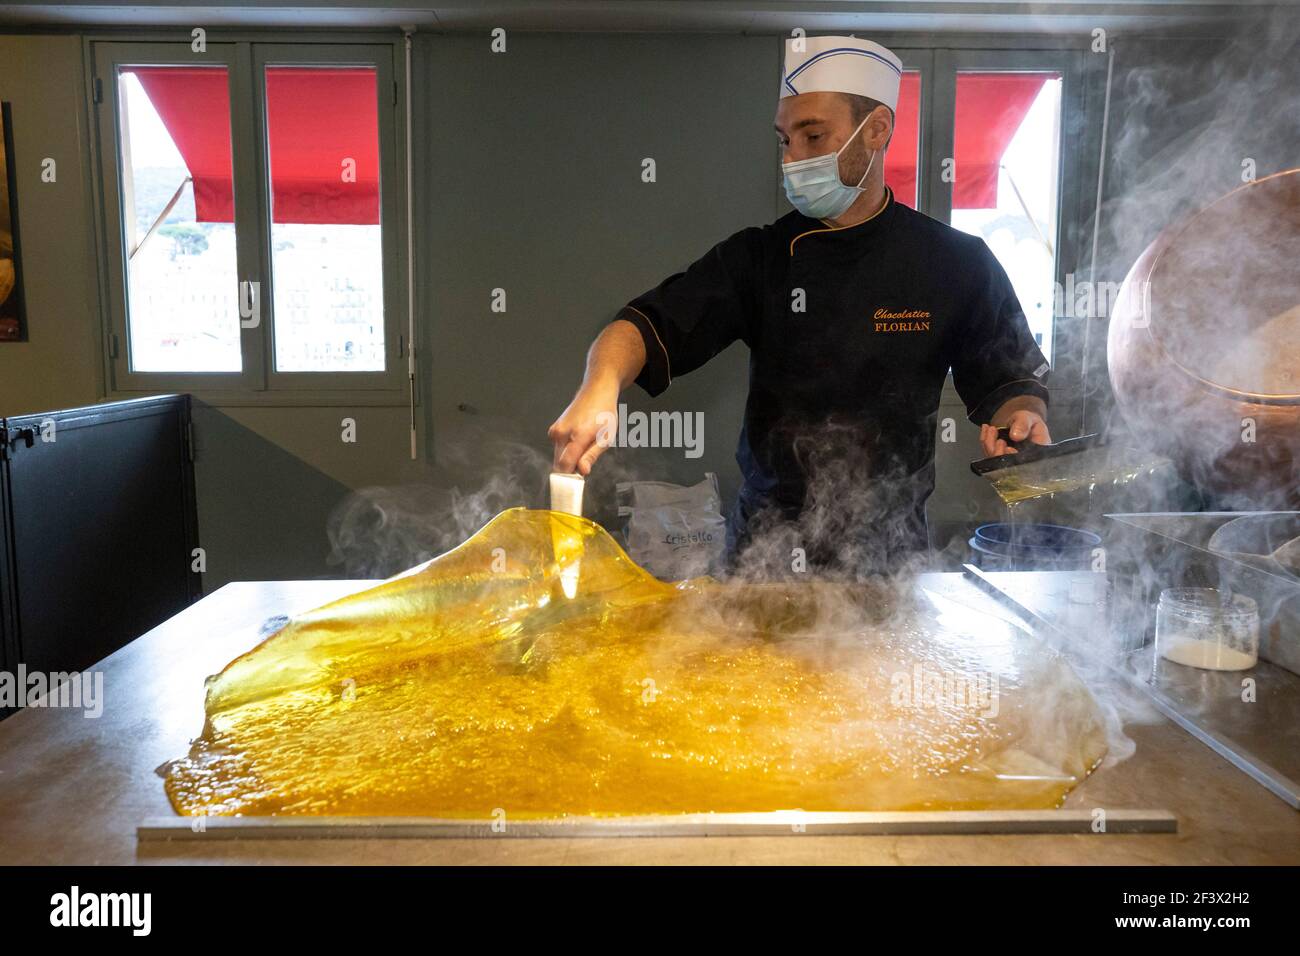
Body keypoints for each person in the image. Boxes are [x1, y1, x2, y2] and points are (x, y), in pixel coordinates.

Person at [549, 36, 1051, 576]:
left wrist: (1020, 419)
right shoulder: (760, 257)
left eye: (813, 135)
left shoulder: (955, 262)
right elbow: (642, 329)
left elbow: (1011, 383)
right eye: (786, 139)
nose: (792, 158)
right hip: (765, 553)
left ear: (877, 130)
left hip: (890, 560)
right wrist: (597, 388)